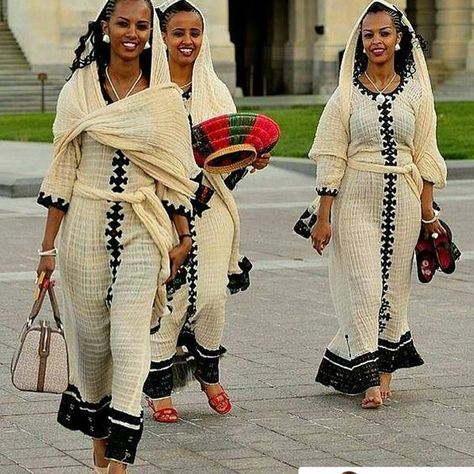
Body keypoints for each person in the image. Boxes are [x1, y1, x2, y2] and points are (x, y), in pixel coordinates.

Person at [35, 0, 200, 471]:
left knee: (130, 338)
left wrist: (183, 232)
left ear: (152, 33)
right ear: (105, 27)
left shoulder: (165, 95)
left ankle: (120, 462)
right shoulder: (78, 90)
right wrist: (47, 247)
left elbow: (173, 172)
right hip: (83, 228)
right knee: (91, 348)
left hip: (143, 227)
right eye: (123, 23)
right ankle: (100, 449)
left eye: (142, 26)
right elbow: (62, 167)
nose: (132, 32)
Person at [308, 0, 447, 408]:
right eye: (369, 35)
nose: (376, 41)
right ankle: (369, 381)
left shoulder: (418, 93)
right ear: (360, 41)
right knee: (365, 288)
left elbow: (425, 156)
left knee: (394, 290)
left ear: (399, 38)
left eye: (384, 33)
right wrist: (323, 217)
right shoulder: (345, 95)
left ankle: (385, 372)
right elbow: (332, 154)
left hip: (402, 201)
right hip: (355, 199)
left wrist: (428, 216)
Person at [143, 0, 270, 422]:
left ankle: (208, 373)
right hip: (159, 209)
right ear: (163, 36)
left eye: (194, 33)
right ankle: (158, 389)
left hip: (212, 207)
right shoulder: (146, 90)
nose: (187, 41)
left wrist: (249, 160)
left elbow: (226, 162)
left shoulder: (216, 92)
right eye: (178, 32)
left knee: (213, 295)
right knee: (170, 298)